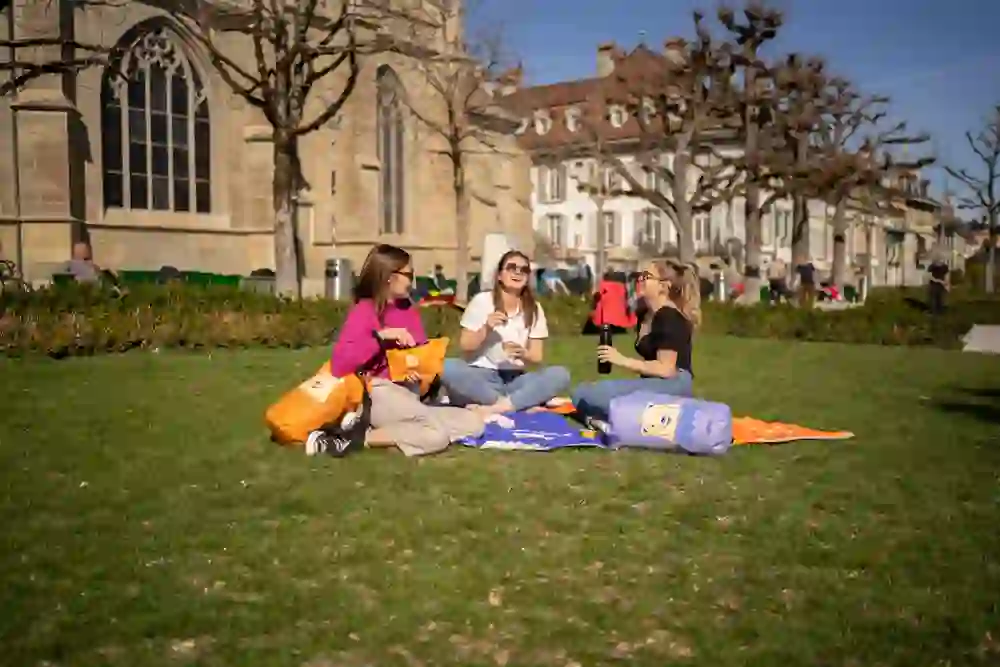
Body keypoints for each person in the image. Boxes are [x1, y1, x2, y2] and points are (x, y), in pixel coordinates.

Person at [327, 244, 484, 456]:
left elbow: (416, 352)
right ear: (389, 276)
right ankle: (356, 438)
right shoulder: (364, 311)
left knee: (474, 423)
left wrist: (422, 368)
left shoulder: (407, 309)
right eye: (409, 274)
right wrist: (380, 337)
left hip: (409, 393)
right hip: (378, 392)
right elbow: (340, 365)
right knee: (435, 435)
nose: (412, 281)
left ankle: (394, 435)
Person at [441, 250, 571, 415]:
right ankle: (516, 403)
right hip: (480, 378)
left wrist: (523, 353)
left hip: (514, 379)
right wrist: (486, 327)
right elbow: (465, 345)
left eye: (523, 269)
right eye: (512, 267)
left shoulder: (534, 308)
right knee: (448, 366)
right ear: (499, 275)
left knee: (560, 374)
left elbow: (536, 356)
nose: (518, 272)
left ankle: (499, 406)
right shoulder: (482, 301)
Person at [572, 259, 699, 425]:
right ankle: (619, 418)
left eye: (646, 276)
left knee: (590, 396)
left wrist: (621, 360)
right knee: (581, 393)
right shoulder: (647, 315)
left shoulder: (669, 317)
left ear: (664, 286)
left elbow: (667, 369)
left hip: (674, 385)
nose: (640, 280)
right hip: (653, 382)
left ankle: (618, 418)